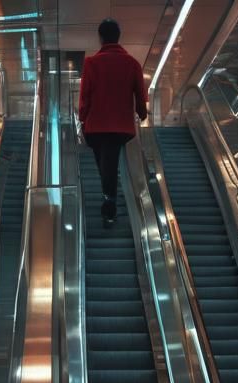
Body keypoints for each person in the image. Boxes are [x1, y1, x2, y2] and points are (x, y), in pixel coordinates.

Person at [78, 19, 148, 227]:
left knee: (105, 161)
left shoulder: (91, 63)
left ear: (100, 38)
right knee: (108, 161)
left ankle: (109, 200)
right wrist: (141, 113)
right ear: (118, 37)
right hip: (120, 127)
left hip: (96, 127)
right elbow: (140, 94)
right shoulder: (133, 64)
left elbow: (85, 96)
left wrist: (82, 117)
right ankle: (108, 196)